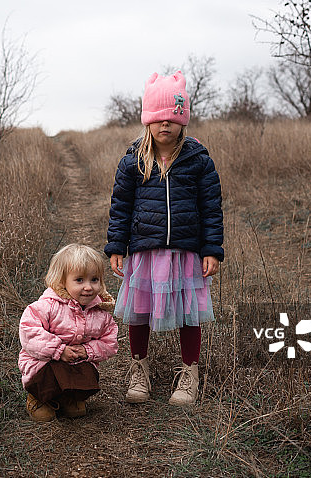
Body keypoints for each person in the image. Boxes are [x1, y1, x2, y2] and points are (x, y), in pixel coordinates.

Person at [105, 71, 224, 406]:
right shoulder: (133, 161)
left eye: (172, 117)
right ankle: (139, 369)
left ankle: (189, 373)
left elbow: (211, 207)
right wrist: (116, 246)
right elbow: (120, 206)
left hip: (186, 251)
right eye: (158, 118)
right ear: (148, 120)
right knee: (140, 311)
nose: (165, 124)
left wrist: (212, 249)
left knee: (188, 313)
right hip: (146, 250)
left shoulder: (198, 160)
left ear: (182, 120)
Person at [18, 244, 119, 422]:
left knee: (88, 372)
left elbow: (110, 342)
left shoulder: (100, 314)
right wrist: (59, 350)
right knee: (48, 373)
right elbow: (29, 331)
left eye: (94, 280)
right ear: (62, 281)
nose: (88, 287)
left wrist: (88, 351)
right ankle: (38, 398)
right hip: (44, 363)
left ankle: (68, 399)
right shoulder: (48, 306)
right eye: (79, 280)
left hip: (77, 363)